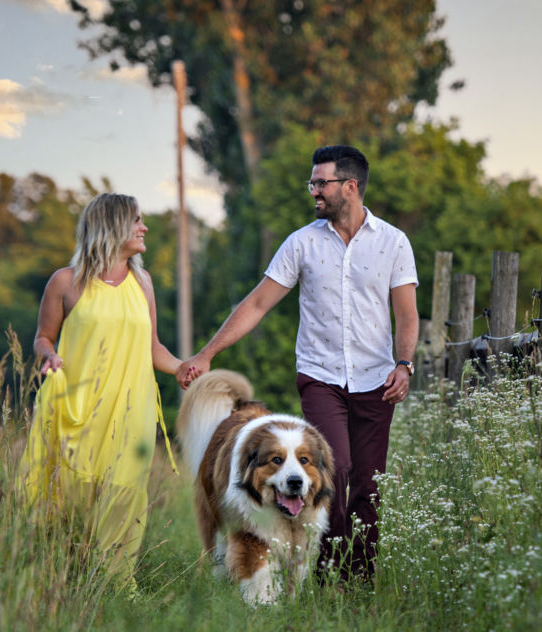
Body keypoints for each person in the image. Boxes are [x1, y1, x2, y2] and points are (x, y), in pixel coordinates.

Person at [176, 145, 419, 581]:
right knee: (333, 470)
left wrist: (404, 364)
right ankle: (325, 576)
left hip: (377, 381)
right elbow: (256, 304)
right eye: (313, 183)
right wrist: (208, 353)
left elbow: (406, 314)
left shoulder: (393, 243)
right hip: (321, 377)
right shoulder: (302, 243)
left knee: (369, 485)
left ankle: (356, 582)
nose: (314, 192)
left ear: (350, 186)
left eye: (321, 183)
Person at [21, 193, 198, 583]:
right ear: (112, 225)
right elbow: (42, 337)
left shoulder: (143, 282)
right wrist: (49, 356)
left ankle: (116, 580)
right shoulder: (65, 282)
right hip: (76, 402)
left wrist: (180, 367)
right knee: (68, 488)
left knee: (123, 490)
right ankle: (62, 570)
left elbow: (154, 347)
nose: (144, 227)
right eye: (136, 220)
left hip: (130, 408)